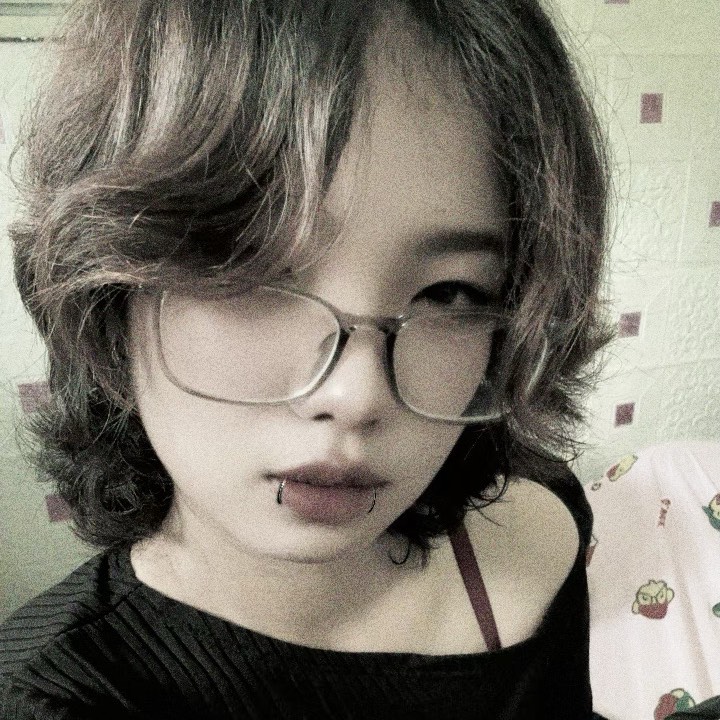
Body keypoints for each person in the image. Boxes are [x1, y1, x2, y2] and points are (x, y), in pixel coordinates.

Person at [0, 0, 615, 717]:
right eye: (251, 273)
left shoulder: (540, 520)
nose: (357, 395)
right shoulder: (60, 697)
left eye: (450, 294)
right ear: (109, 300)